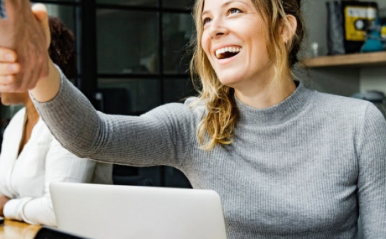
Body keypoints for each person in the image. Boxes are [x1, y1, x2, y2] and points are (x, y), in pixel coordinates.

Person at [0, 0, 385, 238]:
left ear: (284, 29)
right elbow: (93, 135)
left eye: (234, 10)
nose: (215, 29)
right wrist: (40, 70)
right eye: (206, 19)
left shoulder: (358, 124)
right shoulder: (192, 125)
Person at [0, 16, 112, 226]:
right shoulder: (16, 123)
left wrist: (8, 207)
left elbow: (57, 210)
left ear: (31, 62)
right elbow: (3, 191)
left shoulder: (73, 119)